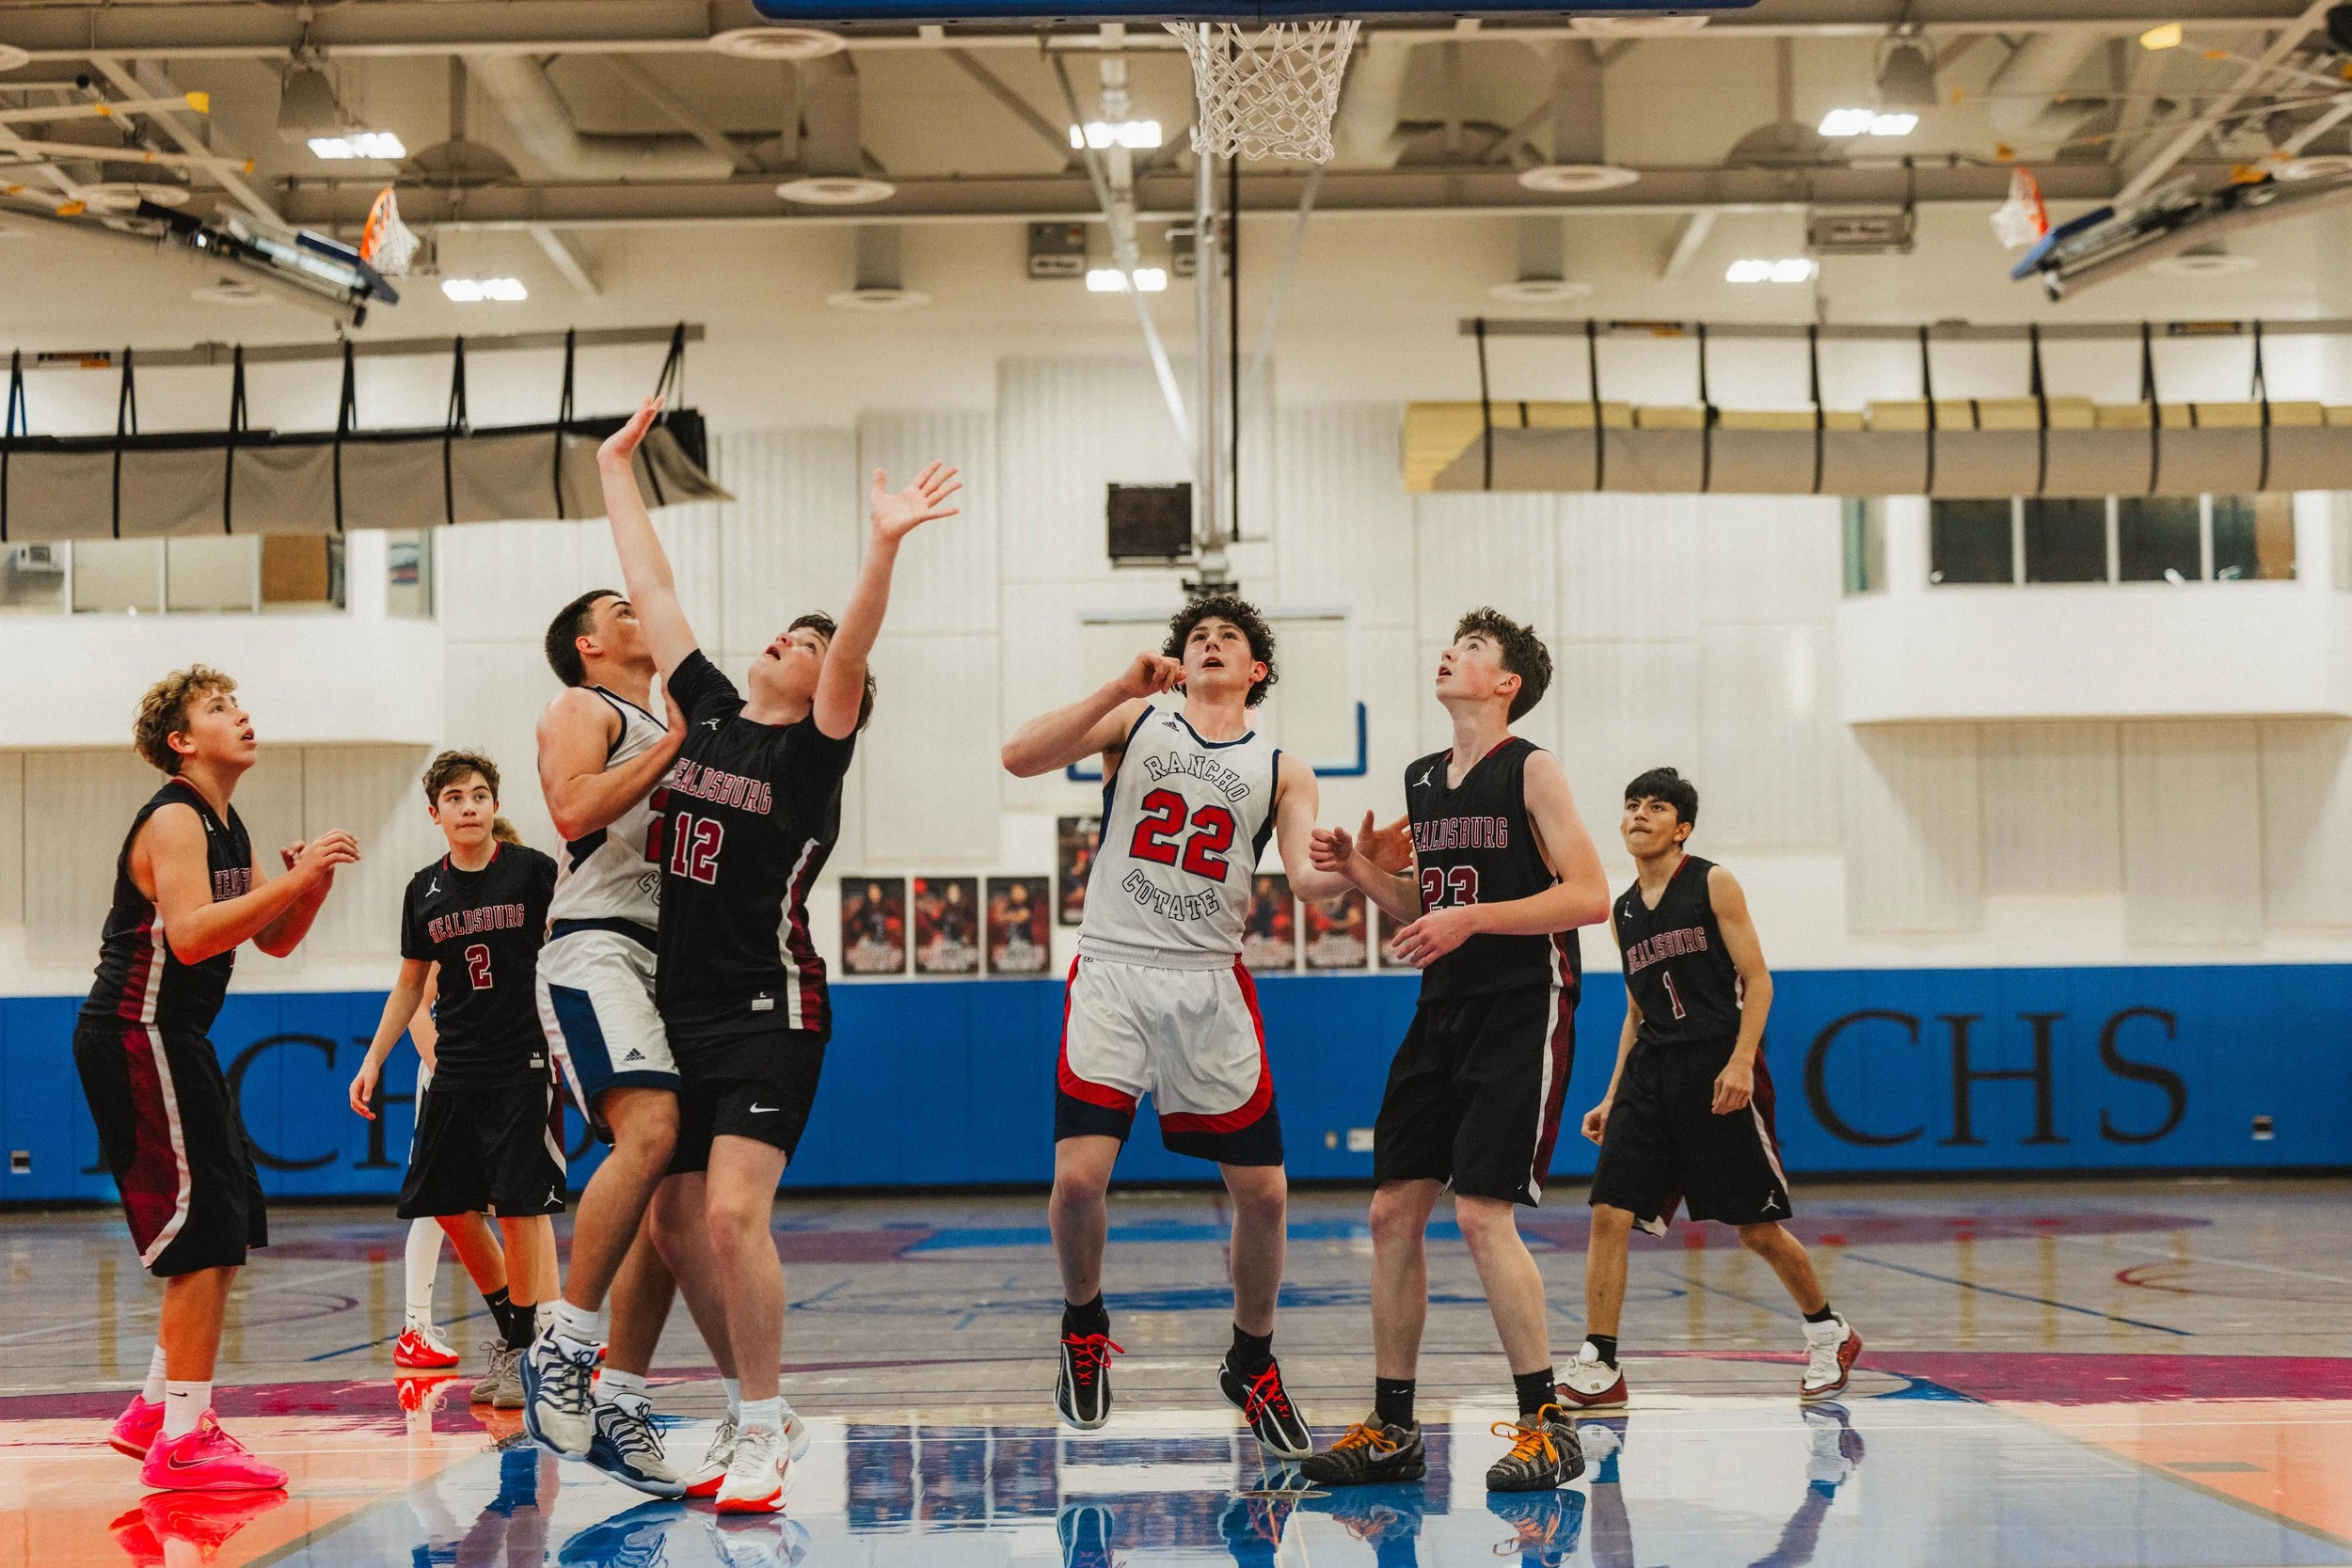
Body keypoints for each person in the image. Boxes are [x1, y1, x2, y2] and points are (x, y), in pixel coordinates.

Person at [583, 392, 960, 1513]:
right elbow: (653, 587)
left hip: (770, 1005)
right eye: (791, 632)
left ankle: (760, 1422)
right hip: (678, 1004)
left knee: (730, 1215)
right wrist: (614, 469)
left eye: (811, 643)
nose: (793, 640)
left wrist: (882, 546)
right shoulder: (704, 713)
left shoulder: (811, 754)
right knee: (669, 1221)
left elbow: (854, 648)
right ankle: (704, 1400)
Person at [1001, 594, 1353, 1458]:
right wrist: (1116, 687)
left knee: (1265, 1194)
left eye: (1229, 636)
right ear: (1180, 661)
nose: (1211, 642)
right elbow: (1018, 756)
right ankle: (1084, 1325)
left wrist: (1355, 865)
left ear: (1257, 669)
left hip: (1208, 981)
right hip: (1115, 968)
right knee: (1078, 1181)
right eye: (1198, 635)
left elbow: (1306, 883)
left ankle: (1252, 1359)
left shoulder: (1284, 769)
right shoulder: (1135, 720)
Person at [1297, 609, 1611, 1493]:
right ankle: (1394, 1427)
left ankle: (1547, 1424)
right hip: (1442, 1008)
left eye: (1472, 647)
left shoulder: (1531, 768)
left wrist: (1470, 918)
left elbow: (1590, 895)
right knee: (1392, 1211)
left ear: (1507, 683)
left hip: (1523, 1003)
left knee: (1480, 1213)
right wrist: (1361, 872)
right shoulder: (1424, 778)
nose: (1450, 652)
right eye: (1452, 642)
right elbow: (1425, 904)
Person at [80, 666, 359, 1490]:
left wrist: (309, 891)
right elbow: (194, 936)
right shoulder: (174, 815)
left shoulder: (227, 825)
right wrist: (293, 881)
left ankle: (154, 1407)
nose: (240, 715)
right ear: (181, 740)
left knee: (227, 1220)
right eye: (218, 707)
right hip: (138, 1030)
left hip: (178, 1035)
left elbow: (270, 940)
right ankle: (183, 1440)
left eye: (238, 703)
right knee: (201, 1235)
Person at [523, 565, 732, 1497]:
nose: (637, 611)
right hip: (596, 944)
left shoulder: (667, 725)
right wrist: (678, 744)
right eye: (619, 609)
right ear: (589, 644)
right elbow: (573, 807)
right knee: (648, 1131)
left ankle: (620, 1395)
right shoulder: (584, 705)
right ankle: (562, 1342)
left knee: (670, 1183)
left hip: (667, 960)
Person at [1559, 768, 1862, 1410]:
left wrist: (1741, 1061)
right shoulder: (1623, 910)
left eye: (1656, 806)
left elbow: (1759, 979)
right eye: (1632, 804)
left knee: (1756, 1230)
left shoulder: (1712, 882)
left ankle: (1827, 1329)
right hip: (1650, 1072)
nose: (1640, 814)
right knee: (1609, 1210)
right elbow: (1636, 1011)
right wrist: (1612, 1094)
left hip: (1716, 1064)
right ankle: (1601, 1361)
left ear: (1682, 828)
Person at [348, 752, 562, 1413]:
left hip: (522, 1058)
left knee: (520, 1207)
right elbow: (410, 983)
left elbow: (573, 947)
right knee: (445, 1205)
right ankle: (517, 1331)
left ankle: (522, 1348)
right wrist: (374, 1058)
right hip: (456, 1063)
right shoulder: (424, 890)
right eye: (455, 797)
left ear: (495, 805)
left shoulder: (533, 871)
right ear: (435, 813)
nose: (469, 806)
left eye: (479, 795)